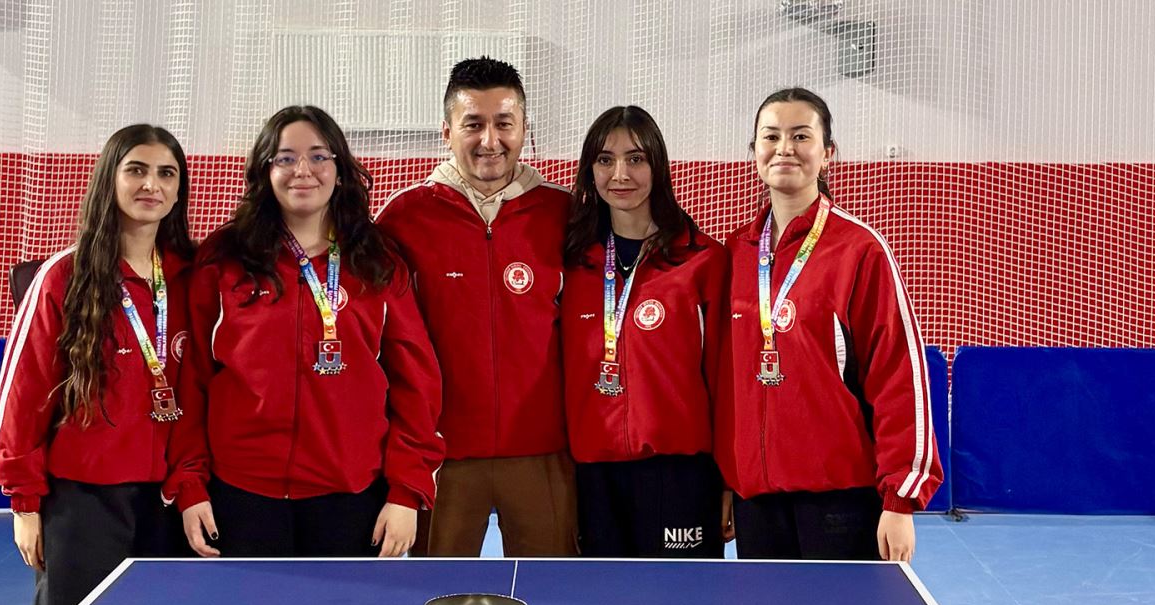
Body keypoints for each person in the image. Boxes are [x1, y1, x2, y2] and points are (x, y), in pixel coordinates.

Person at [165, 106, 443, 558]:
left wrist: (406, 491)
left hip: (352, 496)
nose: (303, 170)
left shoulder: (377, 260)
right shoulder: (224, 258)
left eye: (318, 156)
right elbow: (190, 378)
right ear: (265, 170)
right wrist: (191, 483)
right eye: (285, 158)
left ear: (340, 169)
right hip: (240, 495)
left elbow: (417, 383)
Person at [714, 87, 942, 561]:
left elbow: (899, 377)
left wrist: (900, 500)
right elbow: (723, 383)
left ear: (827, 153)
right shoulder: (734, 254)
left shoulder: (859, 250)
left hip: (840, 502)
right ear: (754, 151)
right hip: (758, 502)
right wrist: (726, 480)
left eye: (801, 136)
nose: (785, 148)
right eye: (771, 136)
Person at [0, 123, 195, 605]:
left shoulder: (190, 277)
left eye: (166, 173)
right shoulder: (64, 277)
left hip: (167, 501)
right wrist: (25, 503)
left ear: (179, 189)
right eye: (137, 170)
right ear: (109, 179)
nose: (152, 184)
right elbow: (23, 395)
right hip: (83, 502)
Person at [378, 56, 576, 557]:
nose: (490, 140)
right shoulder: (403, 218)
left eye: (504, 123)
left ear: (525, 130)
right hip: (441, 455)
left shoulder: (567, 214)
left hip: (543, 452)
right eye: (473, 124)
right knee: (437, 595)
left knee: (551, 592)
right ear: (446, 132)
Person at [561, 106, 729, 558]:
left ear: (658, 165)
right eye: (605, 159)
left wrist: (728, 479)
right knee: (604, 599)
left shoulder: (703, 261)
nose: (620, 174)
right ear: (589, 170)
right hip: (594, 475)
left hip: (681, 474)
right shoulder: (571, 262)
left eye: (635, 159)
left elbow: (725, 380)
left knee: (684, 598)